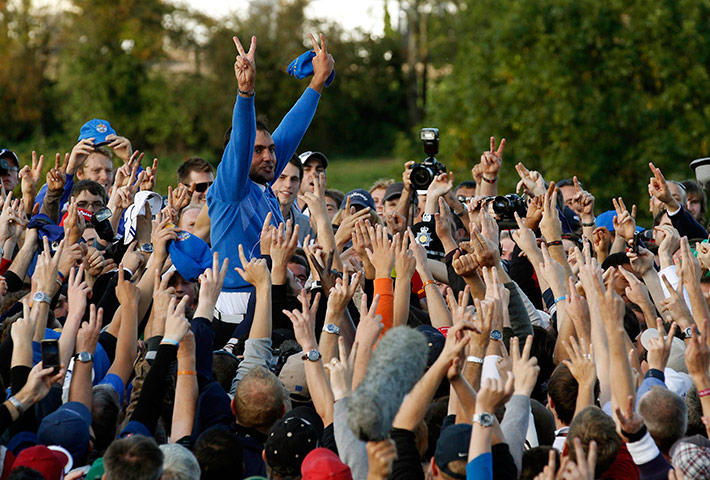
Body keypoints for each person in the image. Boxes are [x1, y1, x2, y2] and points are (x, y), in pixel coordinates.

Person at [207, 33, 334, 333]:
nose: (270, 157)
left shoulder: (262, 185)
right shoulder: (230, 189)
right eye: (258, 150)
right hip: (236, 306)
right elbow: (241, 140)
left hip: (267, 293)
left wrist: (317, 82)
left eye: (272, 150)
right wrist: (245, 92)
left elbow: (291, 128)